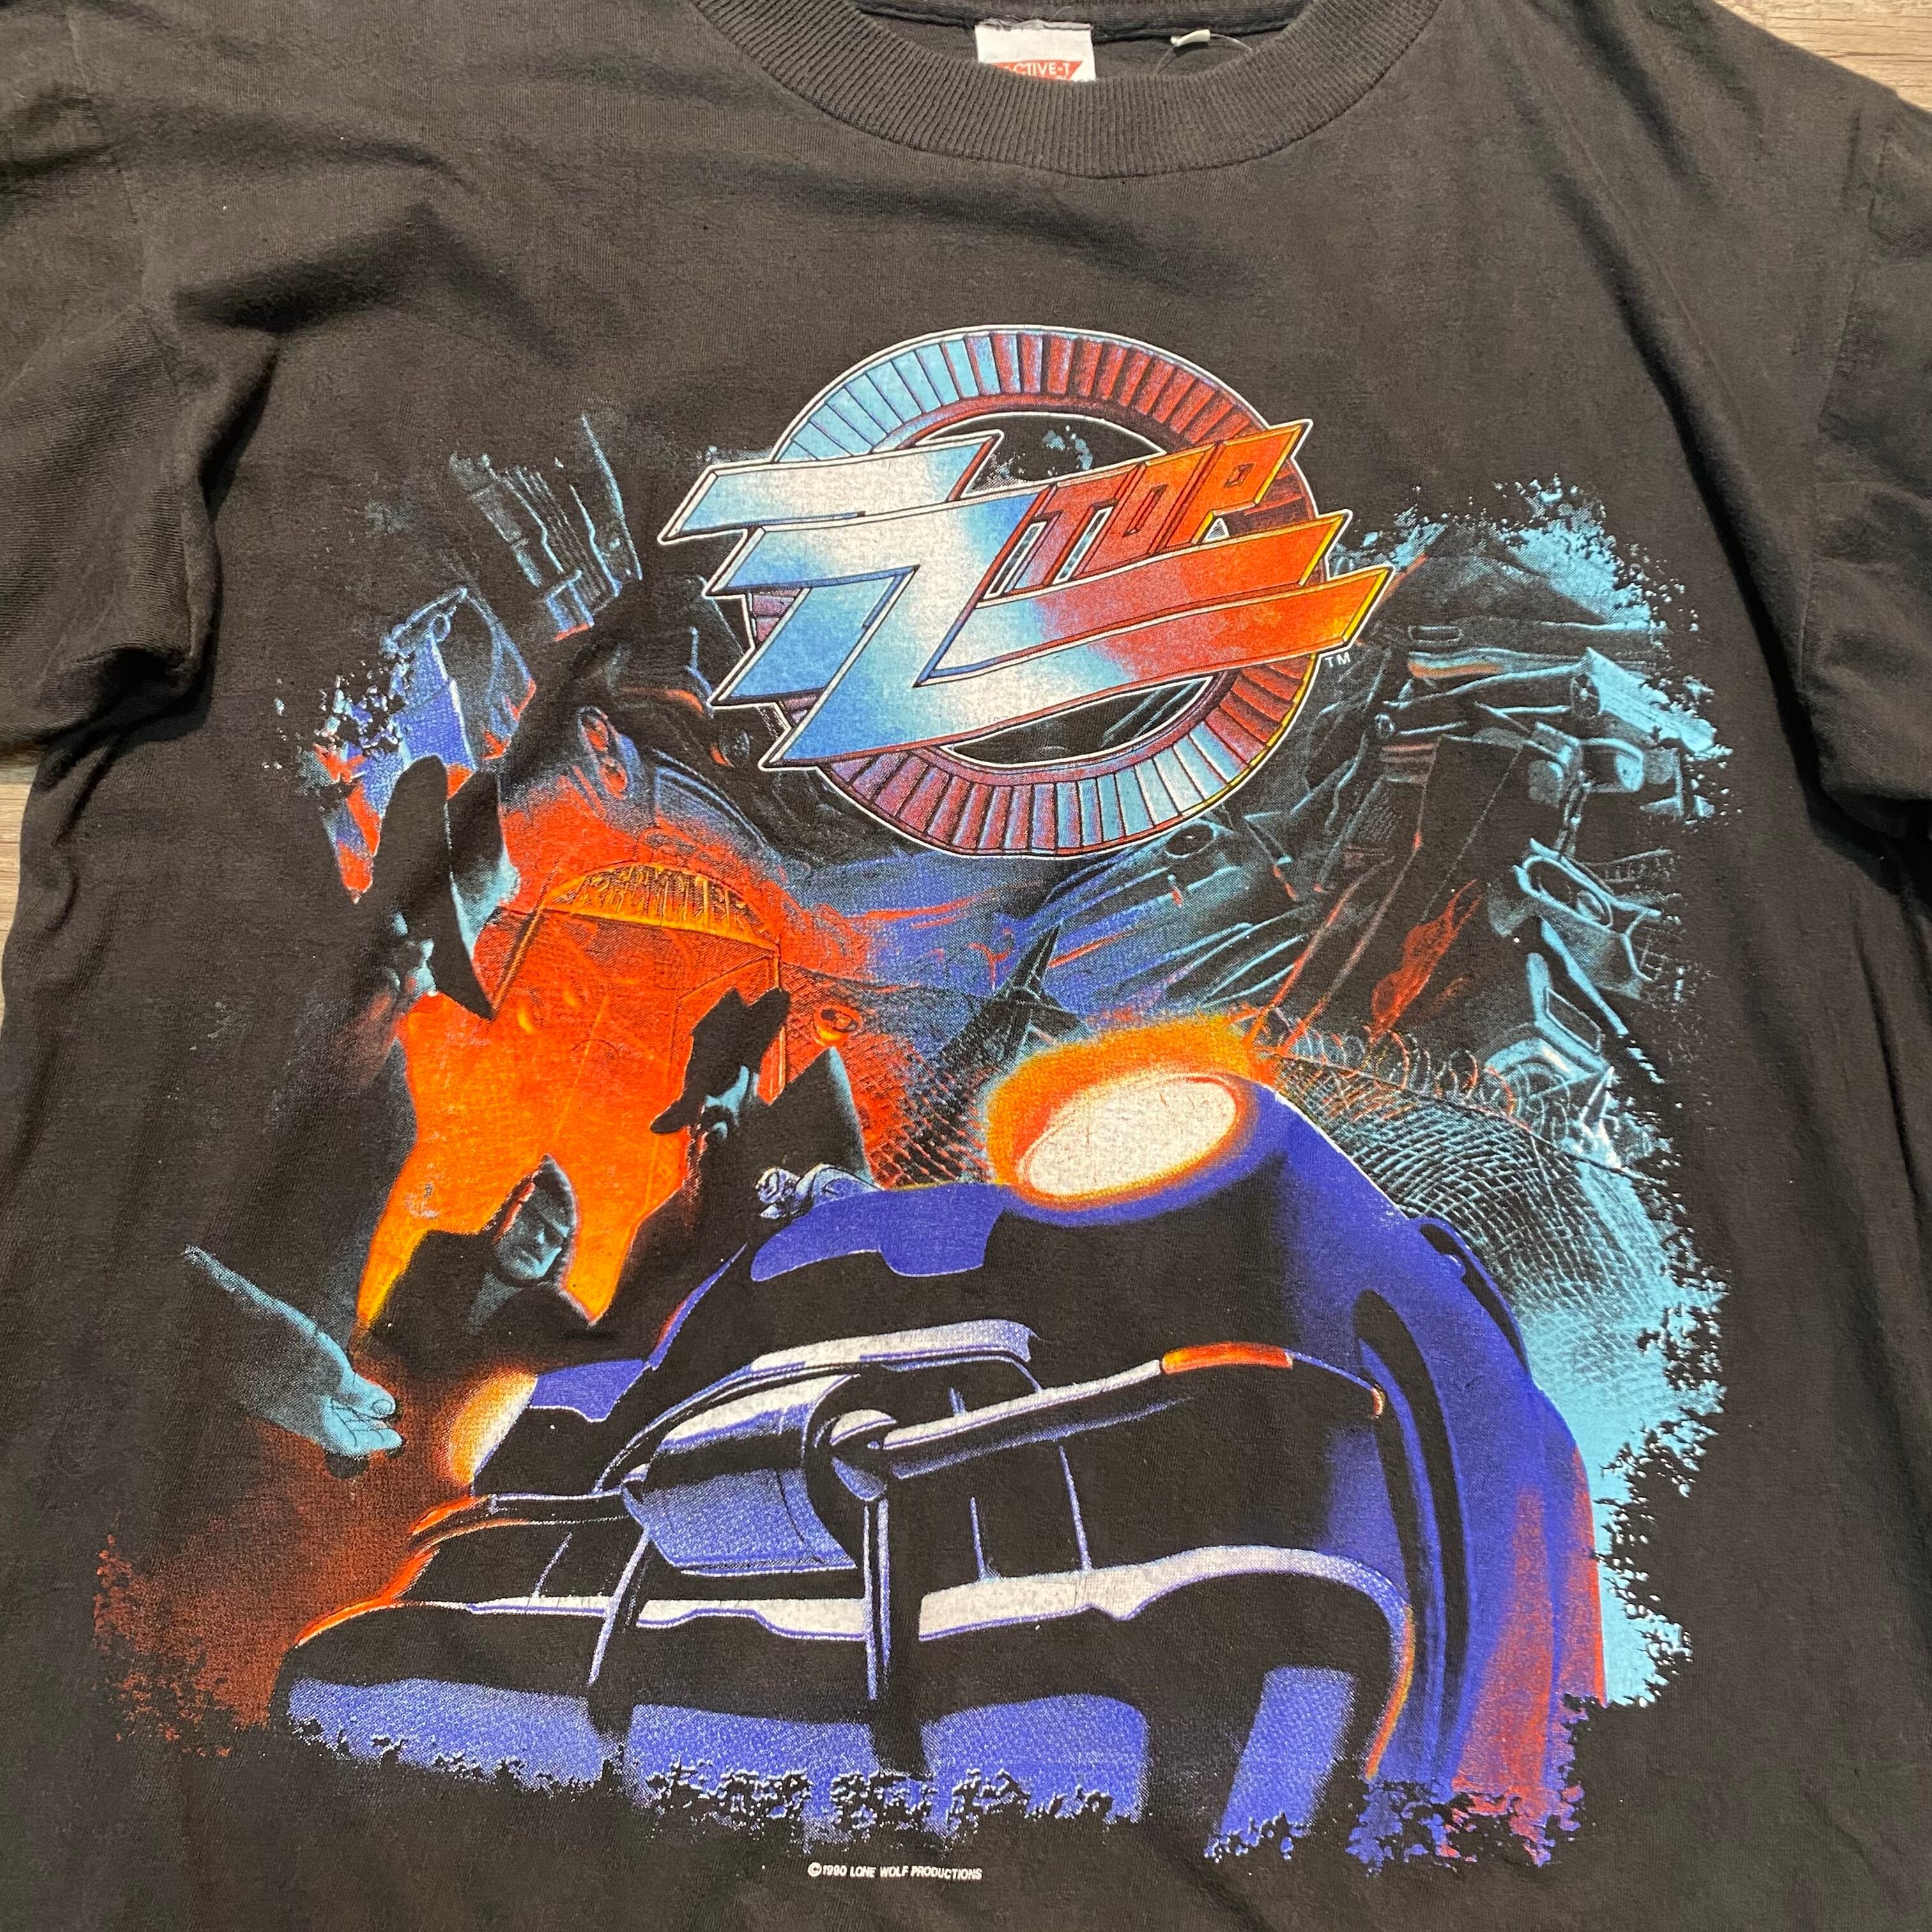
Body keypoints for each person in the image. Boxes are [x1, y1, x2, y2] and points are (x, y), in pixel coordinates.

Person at [183, 754, 518, 1469]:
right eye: (399, 943)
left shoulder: (384, 1117)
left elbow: (321, 1289)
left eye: (419, 967)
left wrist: (302, 1377)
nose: (408, 983)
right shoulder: (231, 959)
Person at [599, 985, 873, 1344]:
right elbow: (618, 1341)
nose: (709, 1105)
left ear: (750, 1079)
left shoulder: (812, 1155)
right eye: (697, 1096)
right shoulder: (659, 1234)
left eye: (721, 1082)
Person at [367, 1155, 591, 1375]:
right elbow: (380, 1343)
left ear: (562, 1254)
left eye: (553, 1237)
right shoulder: (440, 1253)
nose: (538, 1239)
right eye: (531, 1219)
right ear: (510, 1209)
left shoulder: (560, 1320)